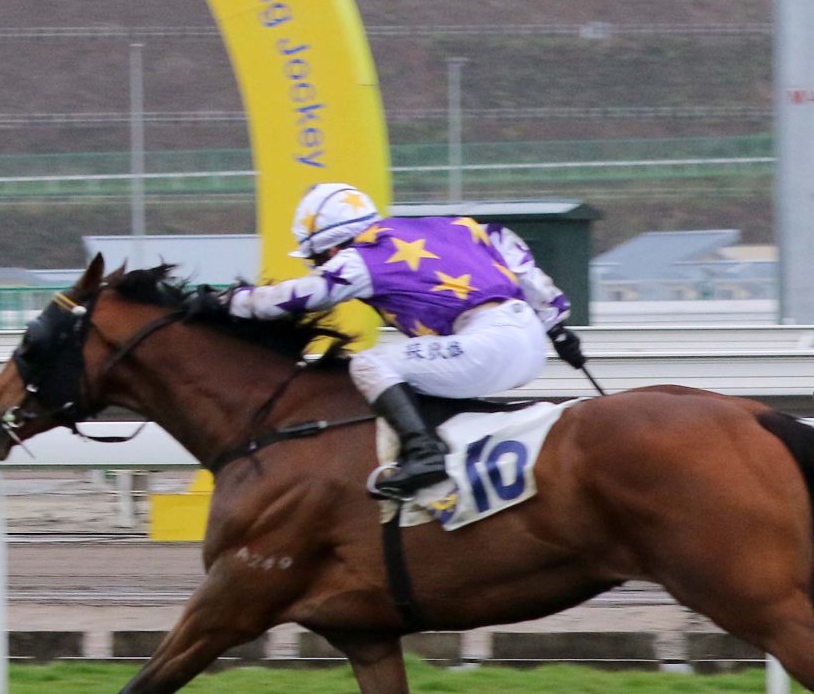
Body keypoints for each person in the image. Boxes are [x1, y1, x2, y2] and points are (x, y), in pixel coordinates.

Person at [224, 182, 582, 499]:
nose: (319, 265)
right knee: (417, 372)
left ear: (331, 249)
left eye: (317, 258)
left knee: (371, 363)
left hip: (486, 346)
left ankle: (425, 455)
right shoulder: (451, 226)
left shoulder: (361, 258)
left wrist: (232, 301)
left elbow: (304, 296)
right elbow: (514, 253)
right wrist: (556, 327)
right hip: (526, 336)